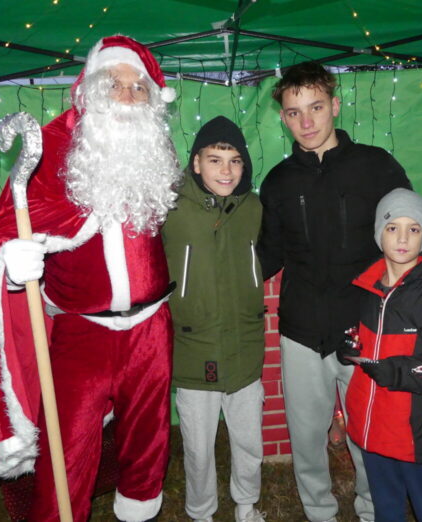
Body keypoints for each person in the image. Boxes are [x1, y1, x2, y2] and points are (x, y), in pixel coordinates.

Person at [256, 62, 422, 522]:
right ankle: (318, 511)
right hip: (301, 328)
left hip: (370, 326)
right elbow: (266, 255)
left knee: (370, 430)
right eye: (294, 112)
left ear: (335, 106)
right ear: (283, 118)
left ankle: (374, 509)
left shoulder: (376, 166)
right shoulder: (277, 181)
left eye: (316, 107)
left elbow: (418, 228)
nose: (306, 122)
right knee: (306, 434)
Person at [0, 36, 181, 522]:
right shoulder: (52, 146)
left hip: (151, 327)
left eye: (139, 87)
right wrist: (16, 260)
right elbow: (6, 229)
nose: (128, 96)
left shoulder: (153, 150)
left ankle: (139, 510)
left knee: (148, 440)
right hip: (82, 332)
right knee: (66, 449)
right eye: (114, 83)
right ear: (89, 88)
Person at [340, 188, 422, 522]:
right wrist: (350, 347)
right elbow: (366, 342)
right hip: (373, 426)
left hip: (416, 432)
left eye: (413, 229)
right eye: (392, 228)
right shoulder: (367, 288)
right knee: (386, 507)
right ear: (378, 234)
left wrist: (399, 371)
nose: (402, 239)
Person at [162, 116, 266, 522]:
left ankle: (246, 503)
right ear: (196, 162)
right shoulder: (170, 207)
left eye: (235, 161)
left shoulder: (253, 208)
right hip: (195, 344)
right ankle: (201, 511)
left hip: (244, 343)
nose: (226, 170)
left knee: (249, 439)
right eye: (215, 159)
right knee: (198, 446)